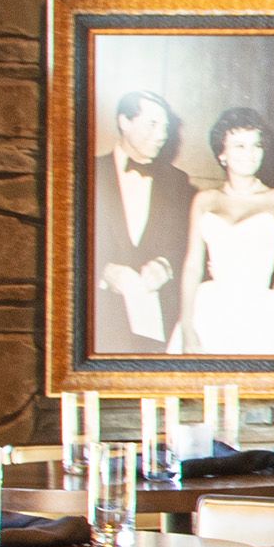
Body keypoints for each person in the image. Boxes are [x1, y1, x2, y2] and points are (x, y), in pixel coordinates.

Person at [178, 107, 274, 357]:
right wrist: (188, 327)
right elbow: (192, 267)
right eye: (240, 146)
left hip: (262, 312)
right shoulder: (205, 200)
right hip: (210, 311)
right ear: (222, 154)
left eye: (256, 145)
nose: (250, 154)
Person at [93, 89, 193, 355]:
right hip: (99, 320)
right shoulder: (87, 173)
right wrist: (102, 271)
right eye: (152, 124)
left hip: (159, 322)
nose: (162, 135)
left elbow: (187, 243)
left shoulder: (178, 182)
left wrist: (165, 266)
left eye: (165, 127)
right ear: (125, 122)